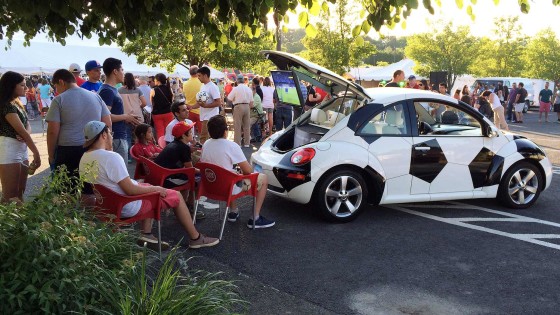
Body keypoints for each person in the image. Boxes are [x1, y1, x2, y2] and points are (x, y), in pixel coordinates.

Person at [79, 121, 219, 249]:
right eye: (110, 133)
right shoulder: (111, 157)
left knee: (146, 185)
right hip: (127, 205)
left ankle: (146, 233)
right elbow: (131, 190)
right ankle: (196, 238)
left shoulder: (84, 158)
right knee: (175, 195)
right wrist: (157, 188)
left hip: (107, 204)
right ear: (103, 135)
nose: (110, 136)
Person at [201, 115, 275, 229]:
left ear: (209, 131)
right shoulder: (231, 145)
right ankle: (255, 218)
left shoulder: (206, 144)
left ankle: (233, 211)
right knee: (263, 178)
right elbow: (248, 171)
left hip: (210, 185)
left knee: (229, 173)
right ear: (225, 131)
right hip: (228, 188)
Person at [46, 69, 112, 193]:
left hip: (68, 150)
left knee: (66, 191)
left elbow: (52, 131)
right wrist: (107, 146)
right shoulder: (95, 96)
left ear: (61, 82)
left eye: (55, 86)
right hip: (94, 148)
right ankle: (89, 212)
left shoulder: (59, 100)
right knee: (91, 189)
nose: (56, 90)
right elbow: (107, 123)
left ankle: (69, 213)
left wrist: (50, 154)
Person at [0, 71, 41, 203]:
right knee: (10, 196)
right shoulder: (6, 105)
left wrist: (26, 133)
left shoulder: (16, 103)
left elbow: (27, 125)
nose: (26, 88)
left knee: (20, 192)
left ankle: (21, 221)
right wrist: (36, 153)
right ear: (11, 86)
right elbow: (23, 131)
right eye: (22, 85)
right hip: (9, 148)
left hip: (21, 147)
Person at [99, 58, 141, 163]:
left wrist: (127, 117)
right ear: (115, 71)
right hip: (115, 138)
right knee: (120, 174)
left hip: (118, 136)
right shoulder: (107, 91)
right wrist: (126, 117)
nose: (123, 73)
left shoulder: (112, 89)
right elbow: (104, 117)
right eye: (122, 70)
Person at [119, 72, 147, 160]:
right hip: (138, 116)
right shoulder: (138, 90)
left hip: (126, 116)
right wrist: (139, 107)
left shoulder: (119, 90)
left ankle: (129, 157)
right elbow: (144, 103)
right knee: (138, 136)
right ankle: (139, 155)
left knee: (127, 136)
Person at [193, 66, 221, 143]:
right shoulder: (203, 86)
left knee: (203, 138)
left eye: (199, 76)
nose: (198, 77)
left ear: (205, 75)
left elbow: (218, 102)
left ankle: (204, 153)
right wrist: (191, 107)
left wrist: (206, 106)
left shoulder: (213, 87)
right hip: (204, 116)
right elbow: (201, 102)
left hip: (210, 116)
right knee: (206, 138)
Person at [228, 74, 253, 147]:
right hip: (247, 106)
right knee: (247, 126)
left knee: (237, 125)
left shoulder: (235, 88)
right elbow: (252, 102)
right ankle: (247, 143)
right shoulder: (248, 89)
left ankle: (238, 143)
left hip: (238, 106)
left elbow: (229, 98)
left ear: (237, 81)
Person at [150, 73, 174, 139]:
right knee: (168, 130)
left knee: (160, 131)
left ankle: (161, 146)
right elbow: (172, 100)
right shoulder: (169, 88)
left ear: (158, 80)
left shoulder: (153, 90)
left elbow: (151, 102)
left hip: (157, 114)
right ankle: (169, 144)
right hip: (168, 112)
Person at [183, 66, 203, 135]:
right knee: (202, 133)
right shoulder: (202, 83)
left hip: (189, 110)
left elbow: (184, 96)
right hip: (200, 110)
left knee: (190, 133)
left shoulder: (185, 84)